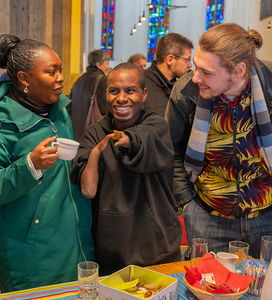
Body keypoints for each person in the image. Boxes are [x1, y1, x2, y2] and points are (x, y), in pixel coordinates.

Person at [165, 23, 272, 259]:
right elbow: (171, 151)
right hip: (208, 217)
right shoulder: (185, 91)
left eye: (206, 71)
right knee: (209, 291)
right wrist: (187, 202)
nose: (195, 77)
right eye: (195, 66)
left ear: (238, 71)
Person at [0, 34, 94, 292]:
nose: (61, 78)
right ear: (24, 79)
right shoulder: (3, 122)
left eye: (60, 70)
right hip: (32, 251)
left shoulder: (59, 109)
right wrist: (30, 164)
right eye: (51, 72)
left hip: (75, 236)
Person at [70, 63, 182, 275]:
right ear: (106, 94)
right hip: (112, 254)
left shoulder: (156, 124)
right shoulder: (95, 134)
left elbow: (142, 137)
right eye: (114, 91)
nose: (121, 98)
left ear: (144, 93)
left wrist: (125, 138)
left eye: (130, 90)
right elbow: (88, 190)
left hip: (158, 250)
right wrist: (95, 153)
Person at [142, 32, 193, 117]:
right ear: (170, 60)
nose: (190, 65)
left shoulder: (178, 87)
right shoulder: (141, 83)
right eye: (187, 60)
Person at [67, 49, 111, 141]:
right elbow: (105, 110)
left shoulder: (77, 81)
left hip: (76, 134)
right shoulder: (103, 80)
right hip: (93, 133)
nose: (109, 67)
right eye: (107, 63)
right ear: (98, 64)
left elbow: (69, 108)